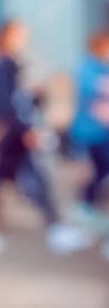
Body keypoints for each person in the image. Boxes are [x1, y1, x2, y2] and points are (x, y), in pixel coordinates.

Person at [0, 20, 93, 255]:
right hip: (9, 135)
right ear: (7, 37)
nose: (23, 40)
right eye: (20, 35)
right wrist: (27, 128)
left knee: (22, 180)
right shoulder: (7, 64)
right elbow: (5, 102)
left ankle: (54, 226)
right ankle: (52, 227)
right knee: (12, 180)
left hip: (6, 134)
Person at [70, 31, 109, 234]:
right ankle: (85, 207)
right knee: (94, 170)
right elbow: (97, 90)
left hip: (103, 132)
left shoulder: (103, 68)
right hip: (89, 132)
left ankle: (89, 205)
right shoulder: (87, 69)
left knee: (102, 169)